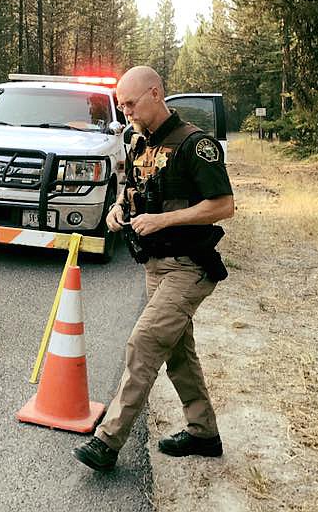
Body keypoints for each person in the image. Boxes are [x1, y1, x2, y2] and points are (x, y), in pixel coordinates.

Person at [73, 66, 235, 472]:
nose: (125, 111)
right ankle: (204, 434)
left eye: (130, 102)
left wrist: (163, 222)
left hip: (190, 266)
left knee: (143, 343)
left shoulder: (195, 145)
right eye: (122, 104)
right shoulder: (137, 142)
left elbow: (223, 206)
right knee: (178, 353)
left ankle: (108, 442)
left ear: (155, 93)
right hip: (154, 264)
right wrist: (117, 210)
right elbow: (134, 191)